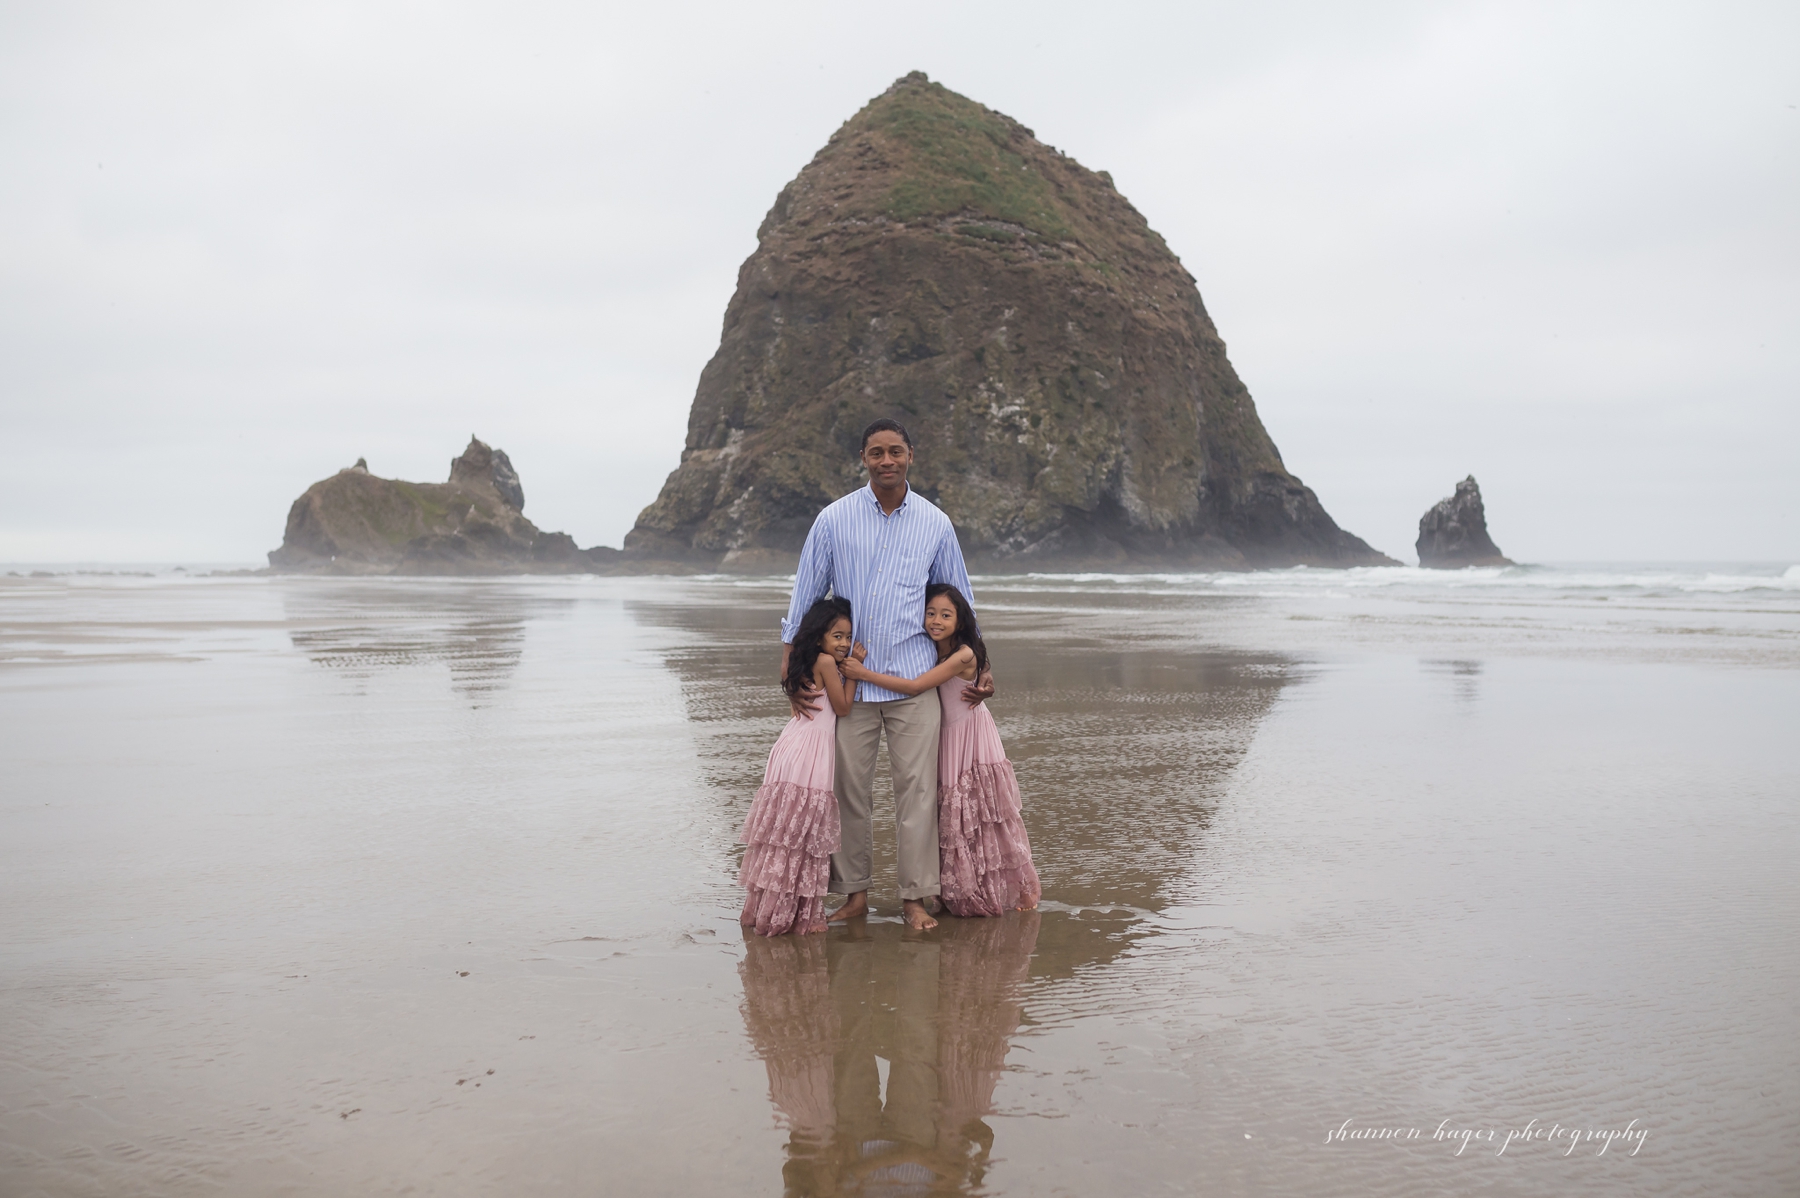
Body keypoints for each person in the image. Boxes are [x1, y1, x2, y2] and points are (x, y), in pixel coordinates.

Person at [782, 418, 992, 932]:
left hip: (914, 679)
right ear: (863, 458)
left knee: (917, 794)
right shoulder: (833, 519)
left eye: (895, 451)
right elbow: (807, 591)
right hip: (848, 686)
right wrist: (790, 663)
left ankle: (915, 899)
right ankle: (853, 896)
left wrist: (981, 664)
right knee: (848, 792)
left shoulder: (935, 523)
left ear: (911, 455)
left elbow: (958, 600)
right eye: (876, 452)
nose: (886, 461)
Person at [842, 583, 1041, 917]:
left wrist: (863, 674)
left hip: (969, 737)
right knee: (953, 816)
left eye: (945, 615)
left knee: (977, 814)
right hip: (947, 736)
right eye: (930, 613)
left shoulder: (962, 654)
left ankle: (993, 890)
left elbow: (916, 686)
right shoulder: (934, 650)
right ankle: (958, 889)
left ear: (960, 621)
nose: (935, 621)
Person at [739, 597, 855, 936]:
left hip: (790, 745)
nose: (845, 644)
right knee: (803, 833)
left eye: (848, 637)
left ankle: (769, 907)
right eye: (837, 636)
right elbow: (844, 708)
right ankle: (793, 913)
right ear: (819, 636)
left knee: (783, 832)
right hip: (810, 752)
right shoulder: (825, 663)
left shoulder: (803, 660)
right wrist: (856, 672)